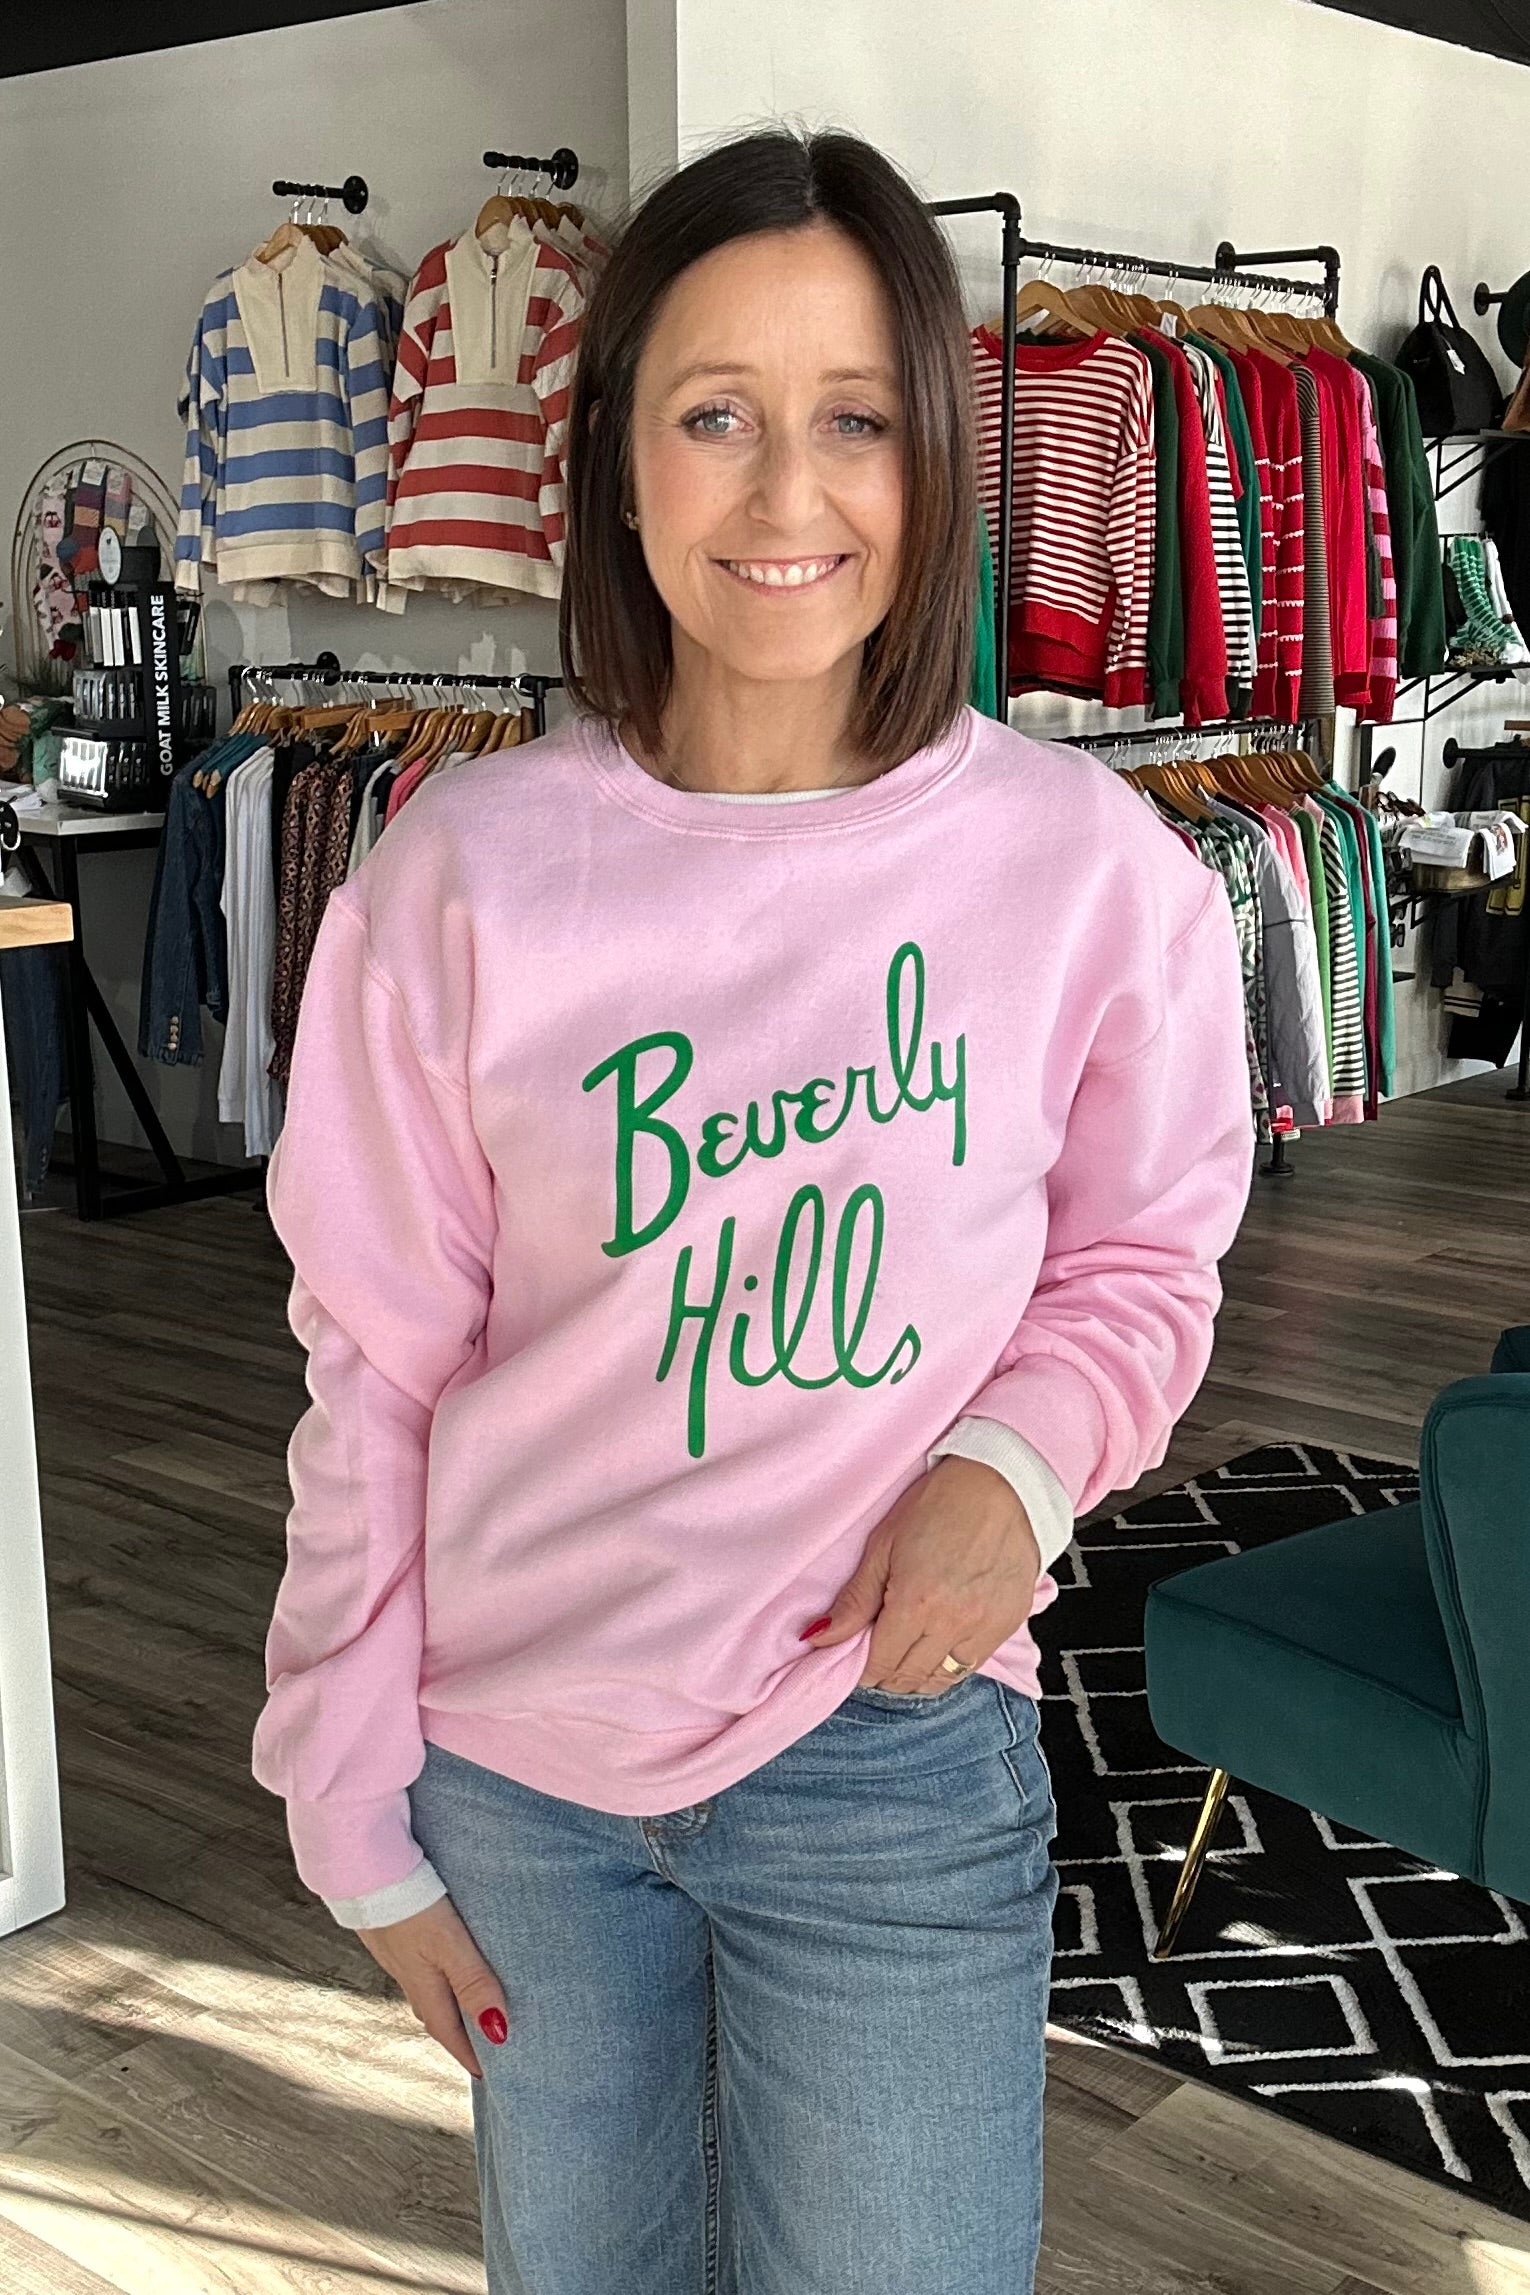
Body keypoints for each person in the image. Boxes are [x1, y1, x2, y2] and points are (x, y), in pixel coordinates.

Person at [251, 123, 1255, 2295]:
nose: (787, 493)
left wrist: (1014, 1468)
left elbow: (1142, 1256)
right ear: (617, 460)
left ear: (936, 461)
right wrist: (347, 1798)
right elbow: (377, 1365)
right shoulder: (455, 876)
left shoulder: (1091, 874)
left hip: (885, 1753)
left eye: (855, 420)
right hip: (516, 1779)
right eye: (716, 415)